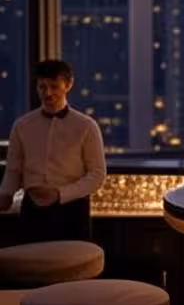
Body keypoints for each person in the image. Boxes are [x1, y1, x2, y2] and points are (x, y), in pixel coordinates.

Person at [0, 59, 107, 242]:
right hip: (32, 211)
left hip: (72, 210)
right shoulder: (22, 126)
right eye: (42, 87)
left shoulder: (86, 126)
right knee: (32, 266)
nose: (47, 93)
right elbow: (14, 170)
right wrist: (6, 194)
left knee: (71, 267)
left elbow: (97, 175)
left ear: (69, 85)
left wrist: (59, 194)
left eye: (54, 86)